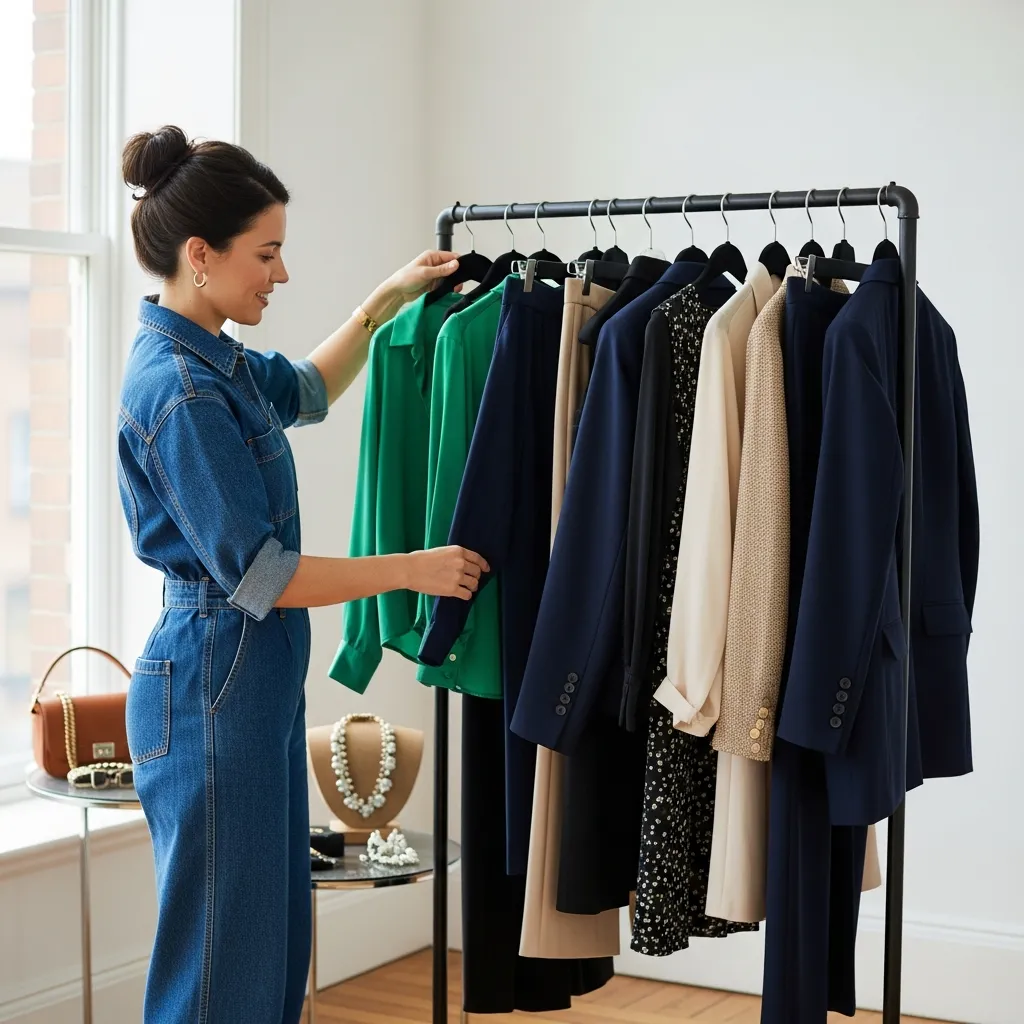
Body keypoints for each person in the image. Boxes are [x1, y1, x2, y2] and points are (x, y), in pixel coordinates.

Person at [116, 124, 486, 1024]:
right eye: (267, 254)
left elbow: (311, 391)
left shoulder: (219, 359)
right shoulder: (182, 389)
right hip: (214, 677)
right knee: (219, 968)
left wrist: (389, 299)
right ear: (200, 255)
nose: (280, 276)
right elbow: (265, 576)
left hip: (246, 674)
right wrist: (412, 569)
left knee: (269, 953)